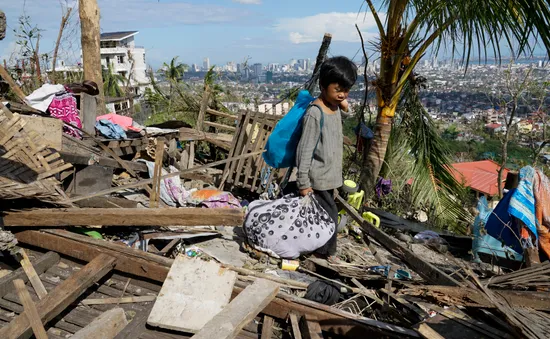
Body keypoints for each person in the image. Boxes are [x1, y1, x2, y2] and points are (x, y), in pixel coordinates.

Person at [295, 56, 357, 258]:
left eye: (346, 90)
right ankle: (324, 255)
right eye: (338, 89)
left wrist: (346, 109)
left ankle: (317, 251)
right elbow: (305, 150)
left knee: (321, 217)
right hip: (317, 179)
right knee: (328, 217)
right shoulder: (315, 113)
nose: (342, 95)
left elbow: (336, 122)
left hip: (330, 178)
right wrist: (303, 182)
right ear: (323, 86)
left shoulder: (334, 108)